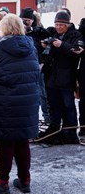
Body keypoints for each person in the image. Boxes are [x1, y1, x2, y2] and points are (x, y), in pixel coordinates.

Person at [0, 13, 40, 194]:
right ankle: (25, 180)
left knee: (4, 144)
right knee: (22, 142)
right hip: (26, 102)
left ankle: (2, 182)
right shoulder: (31, 48)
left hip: (3, 103)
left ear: (3, 28)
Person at [39, 11, 83, 145]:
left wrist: (62, 45)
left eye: (61, 25)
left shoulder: (75, 35)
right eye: (56, 24)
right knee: (53, 105)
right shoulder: (52, 34)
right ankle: (54, 129)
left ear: (67, 24)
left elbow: (77, 51)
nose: (58, 27)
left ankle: (70, 131)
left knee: (68, 105)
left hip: (66, 77)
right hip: (52, 77)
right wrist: (45, 46)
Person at [20, 7, 50, 124]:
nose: (26, 22)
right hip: (24, 68)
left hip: (38, 67)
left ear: (32, 20)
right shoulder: (18, 32)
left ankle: (46, 117)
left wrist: (42, 62)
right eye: (23, 20)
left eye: (28, 20)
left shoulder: (39, 32)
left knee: (42, 93)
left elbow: (47, 48)